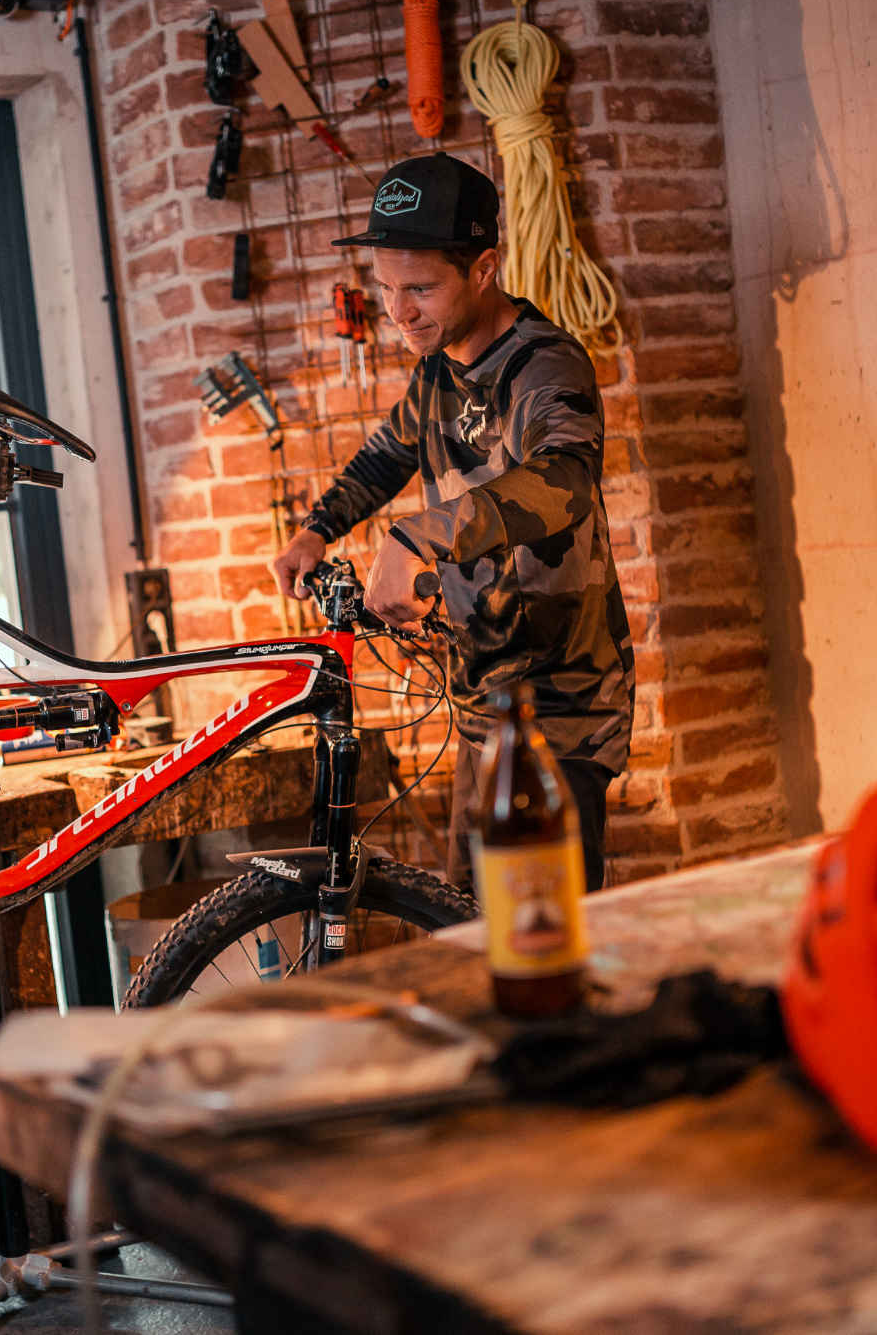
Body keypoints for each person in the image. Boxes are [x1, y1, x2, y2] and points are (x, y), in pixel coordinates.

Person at [271, 154, 634, 892]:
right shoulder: (437, 367)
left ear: (483, 268)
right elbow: (386, 456)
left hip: (557, 707)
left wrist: (417, 537)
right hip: (482, 697)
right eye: (384, 291)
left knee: (540, 935)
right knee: (469, 928)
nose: (398, 313)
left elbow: (563, 481)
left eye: (419, 289)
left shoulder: (545, 365)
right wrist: (317, 528)